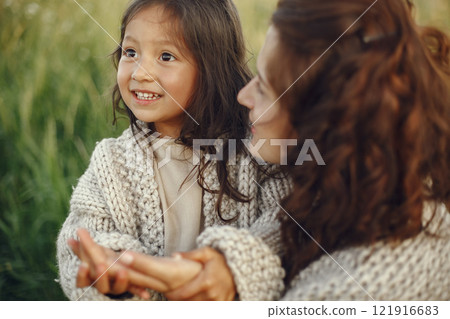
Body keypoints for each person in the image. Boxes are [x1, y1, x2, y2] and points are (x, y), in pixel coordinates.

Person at [57, 0, 290, 301]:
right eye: (130, 53)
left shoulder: (256, 150)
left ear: (212, 66)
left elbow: (283, 227)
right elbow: (81, 239)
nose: (140, 73)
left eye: (166, 56)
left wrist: (232, 266)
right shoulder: (111, 164)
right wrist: (115, 267)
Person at [237, 0, 450, 300]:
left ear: (322, 122)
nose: (242, 95)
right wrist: (234, 264)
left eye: (263, 88)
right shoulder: (365, 189)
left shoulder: (357, 289)